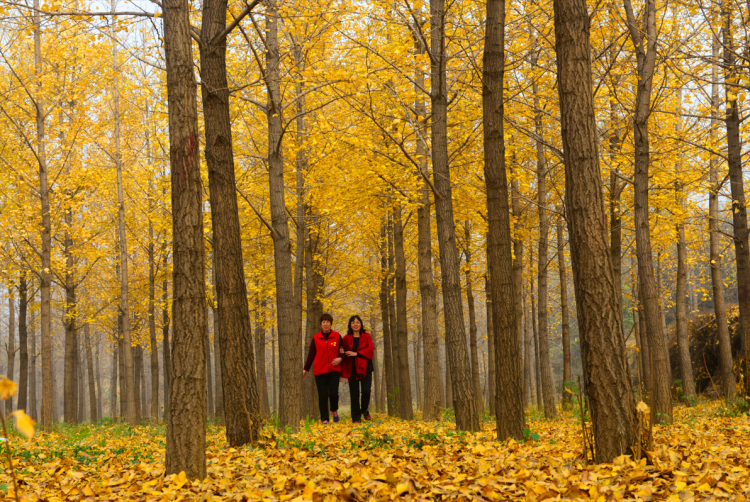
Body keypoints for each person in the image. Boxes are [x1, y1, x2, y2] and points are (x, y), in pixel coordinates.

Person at [303, 313, 344, 424]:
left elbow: (343, 352)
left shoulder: (337, 336)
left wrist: (340, 359)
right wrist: (305, 369)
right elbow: (311, 355)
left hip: (334, 371)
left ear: (331, 324)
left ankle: (334, 410)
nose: (325, 324)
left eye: (327, 322)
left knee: (333, 394)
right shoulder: (316, 338)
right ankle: (325, 419)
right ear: (321, 324)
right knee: (323, 396)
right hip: (320, 371)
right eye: (323, 322)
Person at [341, 315, 374, 423]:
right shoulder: (346, 337)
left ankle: (364, 410)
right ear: (350, 325)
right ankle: (356, 417)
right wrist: (341, 352)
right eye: (353, 322)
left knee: (366, 391)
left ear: (361, 324)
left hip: (365, 369)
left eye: (357, 322)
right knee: (354, 394)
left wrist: (356, 353)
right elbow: (342, 351)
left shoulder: (367, 336)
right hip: (352, 369)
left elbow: (370, 349)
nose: (355, 324)